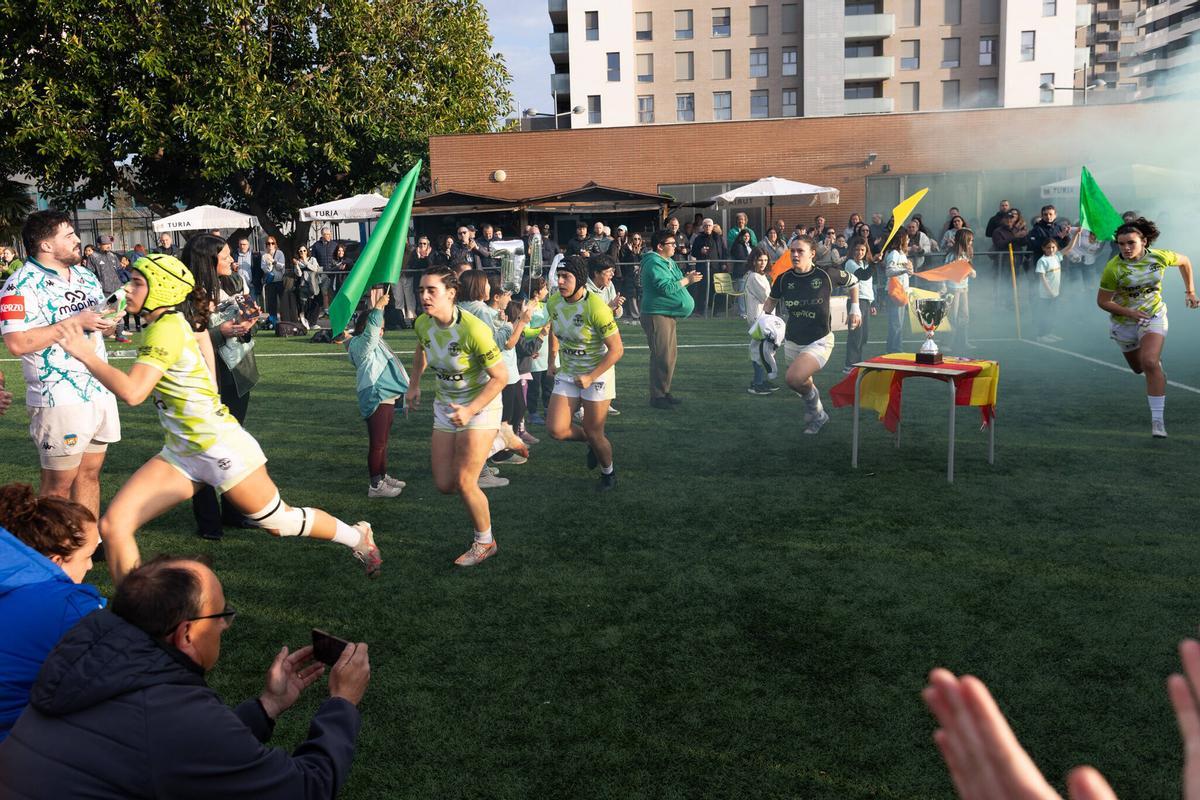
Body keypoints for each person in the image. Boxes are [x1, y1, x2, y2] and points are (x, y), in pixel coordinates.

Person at [54, 253, 381, 583]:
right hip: (183, 450)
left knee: (280, 523)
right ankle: (137, 616)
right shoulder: (163, 324)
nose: (128, 289)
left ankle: (357, 537)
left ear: (161, 290)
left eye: (138, 283)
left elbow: (134, 392)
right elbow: (198, 337)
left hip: (218, 446)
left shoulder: (164, 329)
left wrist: (83, 353)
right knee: (114, 526)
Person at [0, 556, 371, 799]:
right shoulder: (169, 713)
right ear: (187, 634)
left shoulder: (92, 660)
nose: (226, 625)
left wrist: (267, 705)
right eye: (221, 615)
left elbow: (172, 753)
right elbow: (306, 789)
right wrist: (342, 702)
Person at [1, 210, 120, 519]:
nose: (78, 240)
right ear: (46, 246)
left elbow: (96, 322)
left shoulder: (84, 275)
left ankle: (88, 543)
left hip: (98, 389)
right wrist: (72, 322)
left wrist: (107, 324)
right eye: (68, 236)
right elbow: (16, 343)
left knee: (90, 475)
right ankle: (50, 552)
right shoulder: (19, 286)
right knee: (57, 487)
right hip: (58, 397)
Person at [407, 266, 509, 566]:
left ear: (451, 294)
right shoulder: (423, 324)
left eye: (431, 291)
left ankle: (485, 542)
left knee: (466, 481)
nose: (424, 296)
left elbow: (500, 377)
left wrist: (471, 409)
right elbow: (421, 349)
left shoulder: (474, 329)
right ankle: (501, 439)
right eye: (421, 290)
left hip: (481, 406)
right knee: (444, 484)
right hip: (445, 406)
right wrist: (414, 385)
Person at [0, 483, 104, 743]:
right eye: (88, 556)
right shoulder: (71, 607)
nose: (91, 566)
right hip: (17, 749)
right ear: (58, 560)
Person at [183, 234, 263, 540]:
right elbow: (187, 338)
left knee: (233, 443)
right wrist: (221, 332)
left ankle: (234, 512)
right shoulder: (187, 294)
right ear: (208, 260)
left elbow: (250, 312)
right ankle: (208, 521)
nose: (233, 260)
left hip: (238, 373)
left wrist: (248, 323)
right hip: (203, 377)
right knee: (204, 448)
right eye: (226, 256)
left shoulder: (234, 283)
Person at [1096, 217, 1197, 438]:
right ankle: (1154, 369)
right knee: (1139, 368)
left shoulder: (1159, 257)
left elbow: (1185, 261)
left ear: (1144, 242)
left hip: (1153, 315)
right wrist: (1130, 312)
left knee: (1150, 362)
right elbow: (1103, 301)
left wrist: (1190, 291)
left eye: (1131, 243)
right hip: (1124, 322)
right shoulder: (1114, 268)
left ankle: (1158, 422)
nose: (1126, 248)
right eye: (1121, 244)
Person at [762, 236, 862, 434]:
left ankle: (814, 409)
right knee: (801, 381)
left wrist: (855, 309)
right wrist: (764, 325)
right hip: (792, 341)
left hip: (820, 340)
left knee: (793, 378)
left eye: (800, 251)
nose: (795, 255)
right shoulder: (783, 279)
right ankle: (818, 414)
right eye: (792, 251)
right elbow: (770, 304)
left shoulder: (827, 274)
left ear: (812, 254)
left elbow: (854, 282)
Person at [546, 256, 624, 491]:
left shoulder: (597, 307)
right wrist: (552, 359)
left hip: (597, 374)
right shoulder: (554, 302)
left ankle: (608, 473)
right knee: (556, 430)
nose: (560, 282)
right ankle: (592, 441)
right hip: (569, 372)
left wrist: (591, 376)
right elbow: (554, 330)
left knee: (594, 430)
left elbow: (617, 350)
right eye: (559, 277)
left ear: (579, 279)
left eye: (565, 277)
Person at [346, 287, 409, 498]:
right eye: (380, 327)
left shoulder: (364, 343)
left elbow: (371, 332)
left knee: (382, 442)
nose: (382, 331)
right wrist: (378, 307)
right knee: (378, 443)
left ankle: (382, 475)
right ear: (367, 327)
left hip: (385, 396)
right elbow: (372, 331)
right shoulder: (363, 343)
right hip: (376, 396)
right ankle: (375, 485)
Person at [640, 230, 702, 409]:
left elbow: (676, 281)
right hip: (656, 314)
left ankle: (664, 392)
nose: (675, 246)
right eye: (671, 244)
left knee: (670, 356)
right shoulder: (653, 262)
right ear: (660, 246)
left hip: (667, 313)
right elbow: (666, 288)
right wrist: (687, 280)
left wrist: (686, 279)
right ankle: (657, 396)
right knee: (661, 357)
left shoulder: (668, 262)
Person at [1035, 229, 1081, 344]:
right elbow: (1042, 278)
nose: (1051, 250)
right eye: (1048, 248)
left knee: (1052, 314)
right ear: (1043, 248)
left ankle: (1049, 333)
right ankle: (1041, 335)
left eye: (1053, 247)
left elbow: (1069, 248)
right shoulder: (1042, 261)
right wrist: (1049, 291)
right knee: (1045, 315)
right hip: (1046, 294)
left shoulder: (1056, 257)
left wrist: (1076, 234)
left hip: (1055, 293)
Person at [743, 251, 777, 394]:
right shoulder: (754, 277)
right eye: (759, 260)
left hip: (765, 318)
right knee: (759, 350)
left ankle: (760, 380)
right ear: (753, 261)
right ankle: (757, 383)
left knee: (765, 349)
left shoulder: (761, 276)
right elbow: (765, 297)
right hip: (758, 318)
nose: (762, 263)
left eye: (765, 260)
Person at [843, 237, 876, 370]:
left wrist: (873, 303)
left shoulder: (866, 263)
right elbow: (863, 276)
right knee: (856, 334)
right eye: (856, 249)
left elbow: (869, 284)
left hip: (866, 301)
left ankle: (857, 362)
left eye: (862, 249)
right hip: (855, 301)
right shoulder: (850, 263)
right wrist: (875, 263)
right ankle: (850, 364)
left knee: (863, 335)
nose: (859, 252)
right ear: (852, 250)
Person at [523, 277, 553, 426]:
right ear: (536, 292)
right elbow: (524, 331)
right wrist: (540, 330)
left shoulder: (547, 305)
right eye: (544, 288)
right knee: (534, 386)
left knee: (549, 384)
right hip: (535, 352)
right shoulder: (527, 307)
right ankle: (532, 413)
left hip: (548, 352)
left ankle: (549, 409)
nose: (547, 291)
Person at [945, 228, 978, 352]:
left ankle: (963, 341)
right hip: (953, 288)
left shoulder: (966, 254)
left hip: (964, 287)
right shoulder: (952, 255)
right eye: (970, 240)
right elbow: (945, 271)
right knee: (952, 316)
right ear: (964, 240)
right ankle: (947, 343)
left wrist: (972, 272)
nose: (971, 243)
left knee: (965, 315)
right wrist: (943, 286)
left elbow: (968, 268)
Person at [884, 230, 914, 353]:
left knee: (898, 323)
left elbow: (905, 274)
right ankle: (895, 350)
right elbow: (889, 271)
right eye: (906, 239)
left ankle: (893, 349)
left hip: (902, 292)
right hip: (894, 292)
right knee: (896, 324)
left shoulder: (902, 254)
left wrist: (909, 272)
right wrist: (904, 270)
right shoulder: (894, 253)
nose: (908, 241)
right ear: (901, 240)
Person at [261, 236, 285, 324]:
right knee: (271, 302)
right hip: (270, 282)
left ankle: (284, 319)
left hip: (280, 281)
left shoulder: (280, 253)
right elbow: (265, 269)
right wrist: (270, 264)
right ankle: (273, 320)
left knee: (283, 301)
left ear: (275, 244)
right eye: (268, 243)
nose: (270, 245)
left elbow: (282, 267)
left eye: (272, 243)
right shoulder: (264, 256)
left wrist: (274, 261)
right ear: (266, 245)